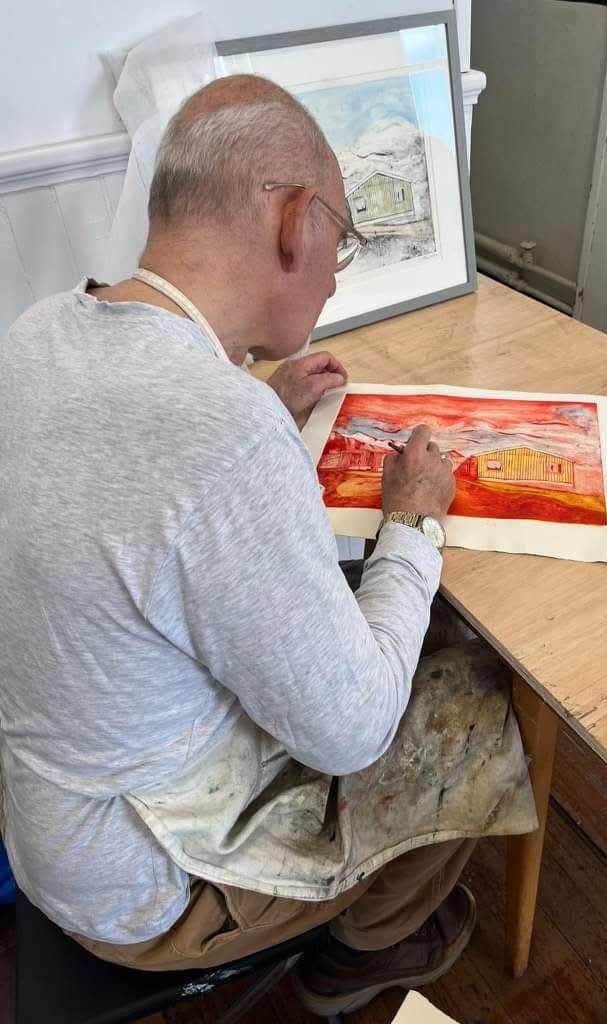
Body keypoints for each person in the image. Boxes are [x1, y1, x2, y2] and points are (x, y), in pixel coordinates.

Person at [0, 75, 535, 1017]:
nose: (334, 275)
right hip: (142, 891)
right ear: (294, 221)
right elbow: (353, 729)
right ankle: (365, 952)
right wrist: (413, 518)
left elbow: (139, 482)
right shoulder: (223, 434)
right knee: (485, 696)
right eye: (341, 241)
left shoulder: (40, 332)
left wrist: (255, 400)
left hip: (52, 828)